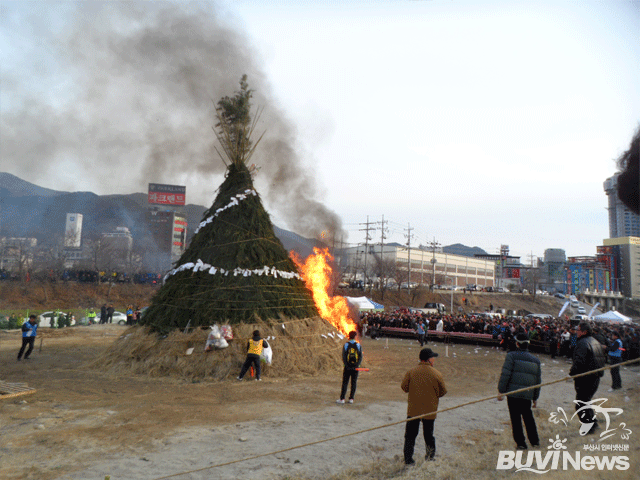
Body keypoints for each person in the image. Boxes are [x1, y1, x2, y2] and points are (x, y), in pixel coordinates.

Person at [401, 348, 447, 464]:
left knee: (410, 436)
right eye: (433, 358)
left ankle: (408, 459)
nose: (434, 360)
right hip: (430, 411)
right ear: (429, 359)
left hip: (413, 410)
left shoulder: (411, 372)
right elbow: (443, 392)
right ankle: (430, 457)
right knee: (429, 435)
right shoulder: (437, 374)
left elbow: (404, 387)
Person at [497, 333, 541, 450]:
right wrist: (535, 397)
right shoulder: (536, 361)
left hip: (513, 394)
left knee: (515, 418)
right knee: (528, 417)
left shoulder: (511, 356)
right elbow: (538, 381)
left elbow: (506, 374)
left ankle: (521, 443)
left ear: (517, 343)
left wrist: (501, 391)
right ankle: (535, 441)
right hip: (527, 394)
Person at [569, 322, 606, 434]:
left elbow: (579, 361)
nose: (577, 332)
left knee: (580, 404)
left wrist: (572, 372)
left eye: (578, 330)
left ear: (584, 332)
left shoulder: (582, 343)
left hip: (585, 378)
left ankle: (589, 427)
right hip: (595, 378)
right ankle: (593, 424)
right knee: (586, 402)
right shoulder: (595, 341)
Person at [337, 331, 362, 404]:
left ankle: (342, 399)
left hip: (347, 367)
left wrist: (346, 365)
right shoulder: (358, 345)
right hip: (356, 367)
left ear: (349, 336)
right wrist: (357, 365)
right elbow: (360, 356)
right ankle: (351, 398)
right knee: (353, 383)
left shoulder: (346, 345)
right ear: (355, 336)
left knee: (345, 382)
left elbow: (344, 356)